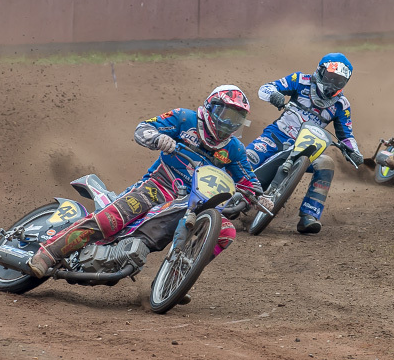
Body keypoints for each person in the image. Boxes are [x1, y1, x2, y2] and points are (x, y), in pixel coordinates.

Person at [28, 85, 264, 279]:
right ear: (212, 108)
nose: (230, 123)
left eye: (238, 118)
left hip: (193, 202)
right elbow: (143, 128)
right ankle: (48, 252)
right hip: (157, 187)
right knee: (111, 220)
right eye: (227, 114)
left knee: (226, 232)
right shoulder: (184, 118)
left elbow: (248, 180)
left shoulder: (234, 148)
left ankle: (178, 277)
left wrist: (260, 197)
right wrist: (159, 138)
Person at [246, 53, 363, 234]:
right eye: (330, 78)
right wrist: (275, 95)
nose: (333, 85)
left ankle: (309, 215)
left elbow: (346, 135)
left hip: (307, 151)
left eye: (339, 81)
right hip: (276, 137)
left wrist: (354, 151)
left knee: (326, 163)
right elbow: (265, 88)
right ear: (320, 71)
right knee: (247, 158)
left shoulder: (342, 104)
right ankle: (218, 199)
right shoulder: (300, 80)